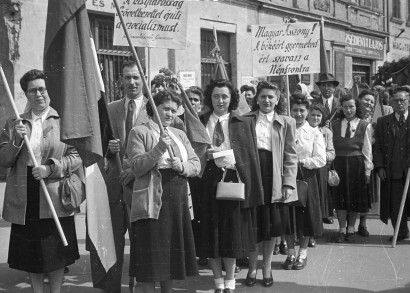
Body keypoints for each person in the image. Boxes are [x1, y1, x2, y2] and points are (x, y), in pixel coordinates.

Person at [0, 69, 81, 293]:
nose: (39, 94)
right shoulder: (14, 123)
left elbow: (77, 157)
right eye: (33, 90)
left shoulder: (64, 120)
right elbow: (4, 160)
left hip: (54, 193)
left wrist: (50, 168)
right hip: (25, 194)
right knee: (31, 253)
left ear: (48, 91)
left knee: (54, 253)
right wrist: (16, 139)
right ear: (26, 94)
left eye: (42, 89)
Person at [126, 90, 200, 293]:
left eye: (173, 111)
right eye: (165, 109)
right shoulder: (139, 132)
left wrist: (182, 166)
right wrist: (159, 148)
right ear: (154, 108)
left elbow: (196, 164)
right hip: (151, 200)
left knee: (170, 258)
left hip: (177, 201)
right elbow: (136, 166)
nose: (169, 114)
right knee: (151, 258)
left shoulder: (179, 134)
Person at [198, 79, 264, 293]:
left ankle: (230, 280)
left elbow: (249, 156)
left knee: (231, 232)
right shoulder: (199, 121)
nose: (220, 100)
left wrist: (228, 156)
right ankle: (217, 280)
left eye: (224, 96)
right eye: (216, 96)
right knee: (210, 231)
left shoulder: (243, 123)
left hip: (232, 179)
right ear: (210, 98)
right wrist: (204, 155)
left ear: (232, 99)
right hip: (207, 180)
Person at [93, 60, 149, 292]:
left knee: (142, 243)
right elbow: (96, 147)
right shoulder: (110, 109)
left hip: (142, 185)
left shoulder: (154, 108)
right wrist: (108, 150)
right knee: (113, 242)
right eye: (127, 77)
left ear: (143, 79)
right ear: (121, 80)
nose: (132, 82)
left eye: (136, 77)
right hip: (115, 187)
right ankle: (113, 287)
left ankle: (137, 285)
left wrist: (134, 170)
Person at [242, 81, 297, 287]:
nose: (266, 100)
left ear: (277, 100)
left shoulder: (286, 122)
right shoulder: (245, 119)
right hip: (252, 175)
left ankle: (267, 266)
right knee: (253, 223)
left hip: (274, 176)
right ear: (257, 98)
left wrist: (288, 183)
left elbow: (291, 155)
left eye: (271, 97)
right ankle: (252, 267)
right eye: (263, 96)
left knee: (271, 224)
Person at [282, 94, 326, 271]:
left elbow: (321, 159)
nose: (298, 114)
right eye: (295, 110)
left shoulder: (314, 132)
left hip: (306, 178)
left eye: (302, 111)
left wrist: (302, 162)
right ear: (290, 111)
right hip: (286, 176)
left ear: (307, 112)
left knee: (306, 217)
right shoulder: (285, 129)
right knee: (288, 217)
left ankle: (303, 253)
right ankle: (290, 253)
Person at [331, 94, 373, 243]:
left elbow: (367, 150)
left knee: (354, 198)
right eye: (345, 107)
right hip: (339, 163)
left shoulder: (364, 125)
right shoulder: (334, 124)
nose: (348, 110)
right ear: (341, 108)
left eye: (351, 106)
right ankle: (342, 228)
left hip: (357, 164)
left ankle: (351, 228)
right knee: (340, 198)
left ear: (357, 107)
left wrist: (368, 170)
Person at [374, 87, 410, 242]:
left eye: (403, 100)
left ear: (408, 101)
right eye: (396, 100)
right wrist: (380, 166)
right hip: (393, 169)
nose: (399, 103)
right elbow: (378, 147)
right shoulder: (383, 122)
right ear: (391, 102)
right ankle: (400, 232)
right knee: (395, 203)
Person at [307, 103, 336, 241]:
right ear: (307, 115)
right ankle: (306, 231)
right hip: (305, 169)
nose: (316, 118)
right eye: (313, 115)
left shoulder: (326, 132)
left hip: (320, 170)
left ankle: (315, 232)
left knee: (318, 201)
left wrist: (323, 157)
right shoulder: (301, 129)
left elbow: (331, 152)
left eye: (318, 115)